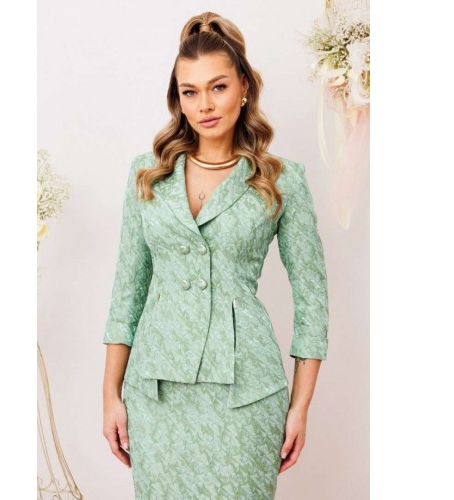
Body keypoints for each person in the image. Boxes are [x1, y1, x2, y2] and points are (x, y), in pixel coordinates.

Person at [102, 11, 329, 500]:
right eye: (190, 91)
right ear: (178, 98)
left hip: (247, 392)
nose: (204, 104)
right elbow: (128, 290)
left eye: (218, 87)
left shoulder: (281, 179)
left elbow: (312, 301)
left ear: (244, 87)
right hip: (156, 391)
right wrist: (110, 395)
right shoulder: (147, 174)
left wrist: (300, 406)